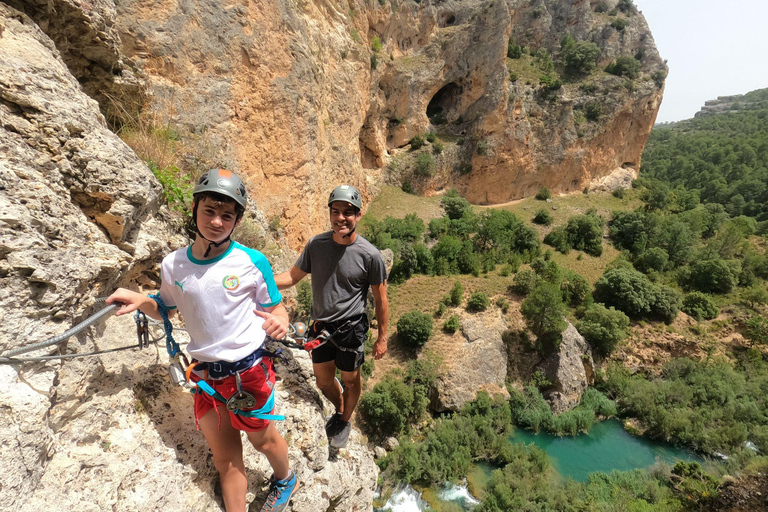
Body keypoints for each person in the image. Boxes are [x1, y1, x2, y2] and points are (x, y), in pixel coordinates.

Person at [106, 169, 298, 512]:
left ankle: (285, 479)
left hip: (248, 373)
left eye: (227, 215)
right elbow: (165, 306)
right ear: (195, 209)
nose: (217, 221)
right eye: (209, 211)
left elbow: (277, 308)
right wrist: (141, 300)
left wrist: (279, 322)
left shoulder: (252, 262)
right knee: (226, 461)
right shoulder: (173, 264)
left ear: (236, 221)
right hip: (207, 378)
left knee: (263, 441)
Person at [274, 185, 389, 449]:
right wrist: (259, 280)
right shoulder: (317, 245)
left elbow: (381, 300)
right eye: (335, 212)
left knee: (351, 379)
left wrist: (382, 338)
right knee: (324, 381)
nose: (341, 218)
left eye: (347, 213)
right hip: (321, 326)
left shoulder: (369, 255)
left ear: (358, 215)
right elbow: (292, 277)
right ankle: (339, 408)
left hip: (351, 328)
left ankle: (344, 420)